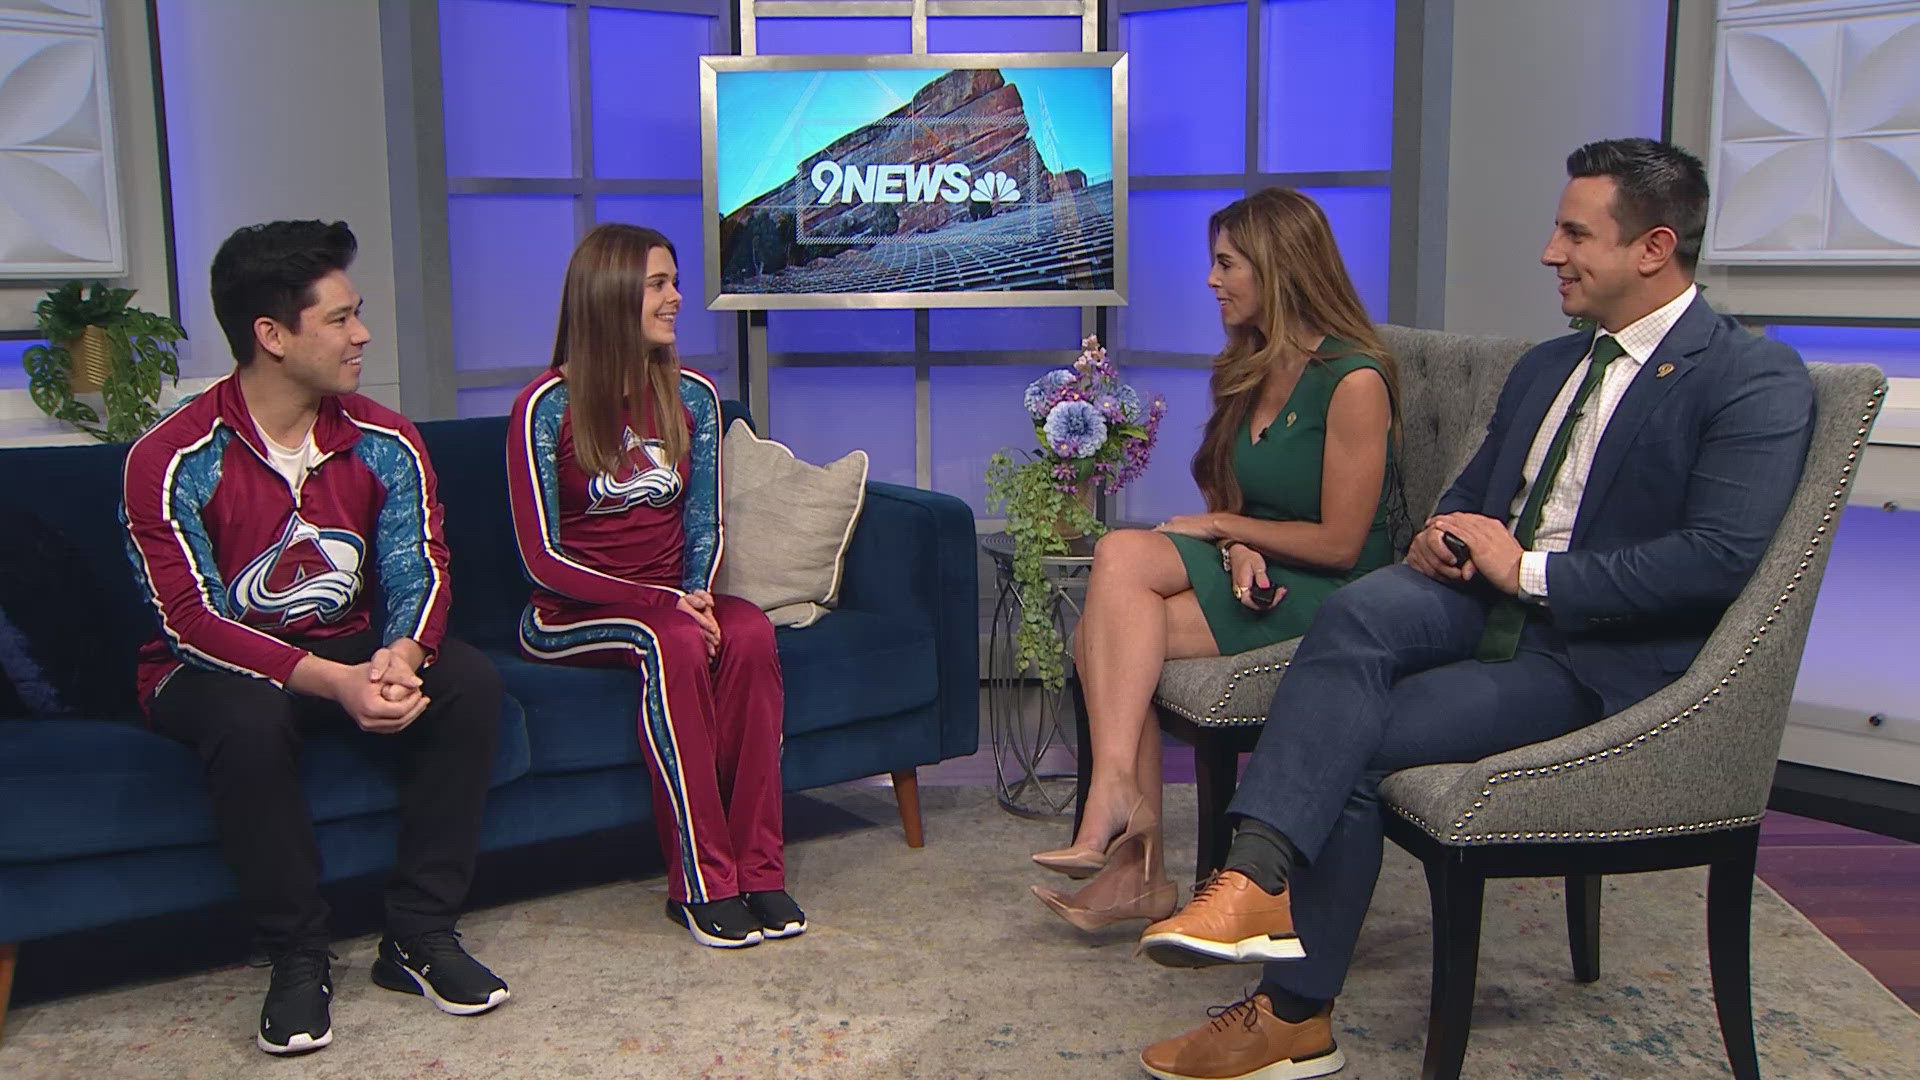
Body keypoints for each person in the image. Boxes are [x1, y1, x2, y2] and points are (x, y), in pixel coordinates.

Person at [1131, 138, 1816, 1080]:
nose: (1550, 252)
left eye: (1575, 233)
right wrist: (1444, 536)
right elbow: (1478, 498)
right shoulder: (1548, 366)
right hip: (1480, 603)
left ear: (1654, 247)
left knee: (1355, 745)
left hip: (1595, 659)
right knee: (1361, 614)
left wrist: (1527, 570)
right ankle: (1252, 880)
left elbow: (1715, 562)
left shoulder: (1749, 377)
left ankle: (1292, 1013)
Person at [122, 220, 510, 1056]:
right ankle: (296, 954)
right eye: (338, 318)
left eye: (355, 312)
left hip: (349, 642)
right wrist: (331, 682)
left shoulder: (385, 439)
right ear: (271, 334)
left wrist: (401, 658)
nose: (362, 333)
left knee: (468, 682)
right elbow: (189, 619)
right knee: (248, 721)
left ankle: (417, 933)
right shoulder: (172, 457)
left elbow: (422, 565)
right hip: (210, 663)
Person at [1030, 188, 1402, 932]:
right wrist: (1235, 544)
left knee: (1116, 573)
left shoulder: (1354, 381)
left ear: (1278, 266)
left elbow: (1340, 542)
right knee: (1106, 626)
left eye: (1227, 264)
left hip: (1333, 588)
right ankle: (1133, 863)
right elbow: (1241, 502)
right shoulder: (1249, 365)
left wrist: (1231, 528)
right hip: (1260, 567)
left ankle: (1122, 821)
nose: (1212, 280)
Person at [506, 223, 800, 950]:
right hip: (568, 613)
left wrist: (693, 595)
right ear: (610, 297)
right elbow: (540, 557)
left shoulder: (693, 397)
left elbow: (704, 525)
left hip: (674, 603)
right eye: (659, 285)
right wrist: (666, 606)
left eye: (673, 282)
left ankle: (759, 870)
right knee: (669, 640)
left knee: (753, 630)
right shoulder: (545, 407)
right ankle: (700, 883)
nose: (677, 298)